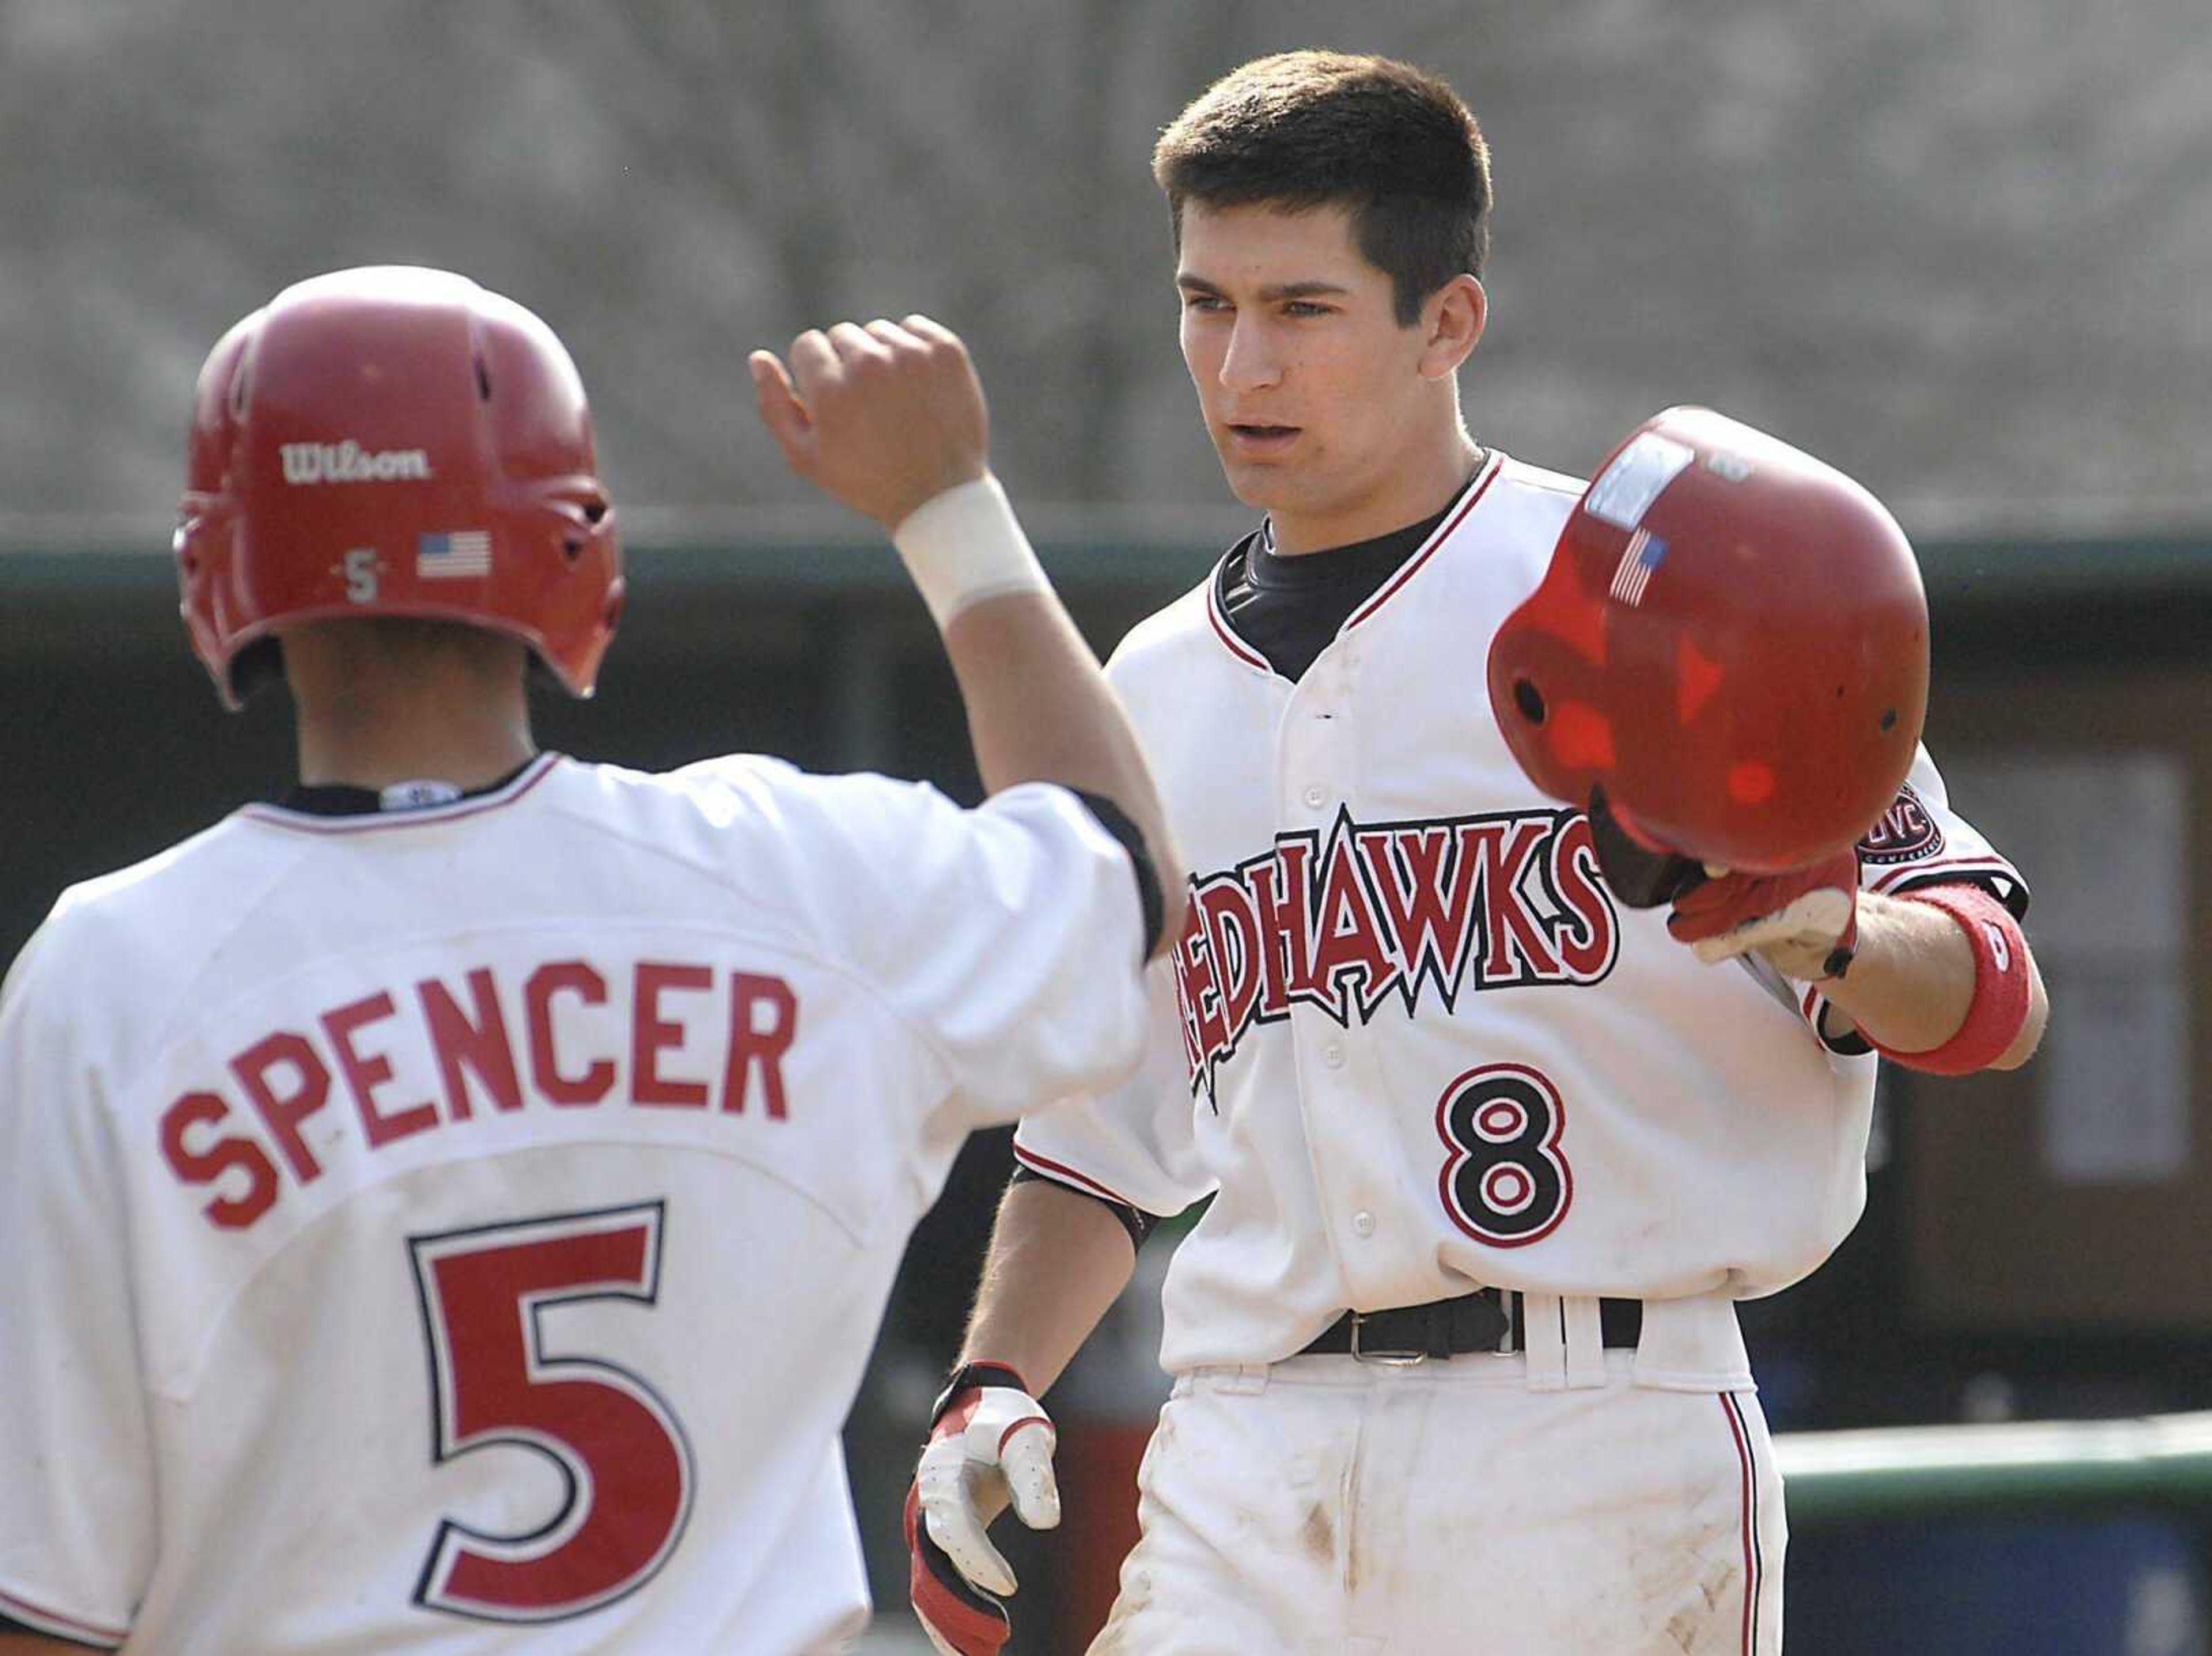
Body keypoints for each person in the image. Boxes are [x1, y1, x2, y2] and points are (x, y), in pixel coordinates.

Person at [905, 50, 2050, 1656]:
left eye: (1303, 308)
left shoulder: (1652, 601)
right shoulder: (1147, 689)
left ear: (1447, 321)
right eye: (1204, 301)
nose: (1241, 361)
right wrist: (991, 1378)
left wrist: (1829, 924)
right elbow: (1096, 1146)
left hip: (1595, 1429)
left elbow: (1990, 988)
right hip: (1249, 1444)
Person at [0, 266, 1184, 1654]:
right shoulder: (802, 883)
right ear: (570, 548)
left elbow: (47, 1601)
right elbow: (1119, 874)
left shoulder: (114, 976)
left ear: (225, 563)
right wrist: (946, 503)